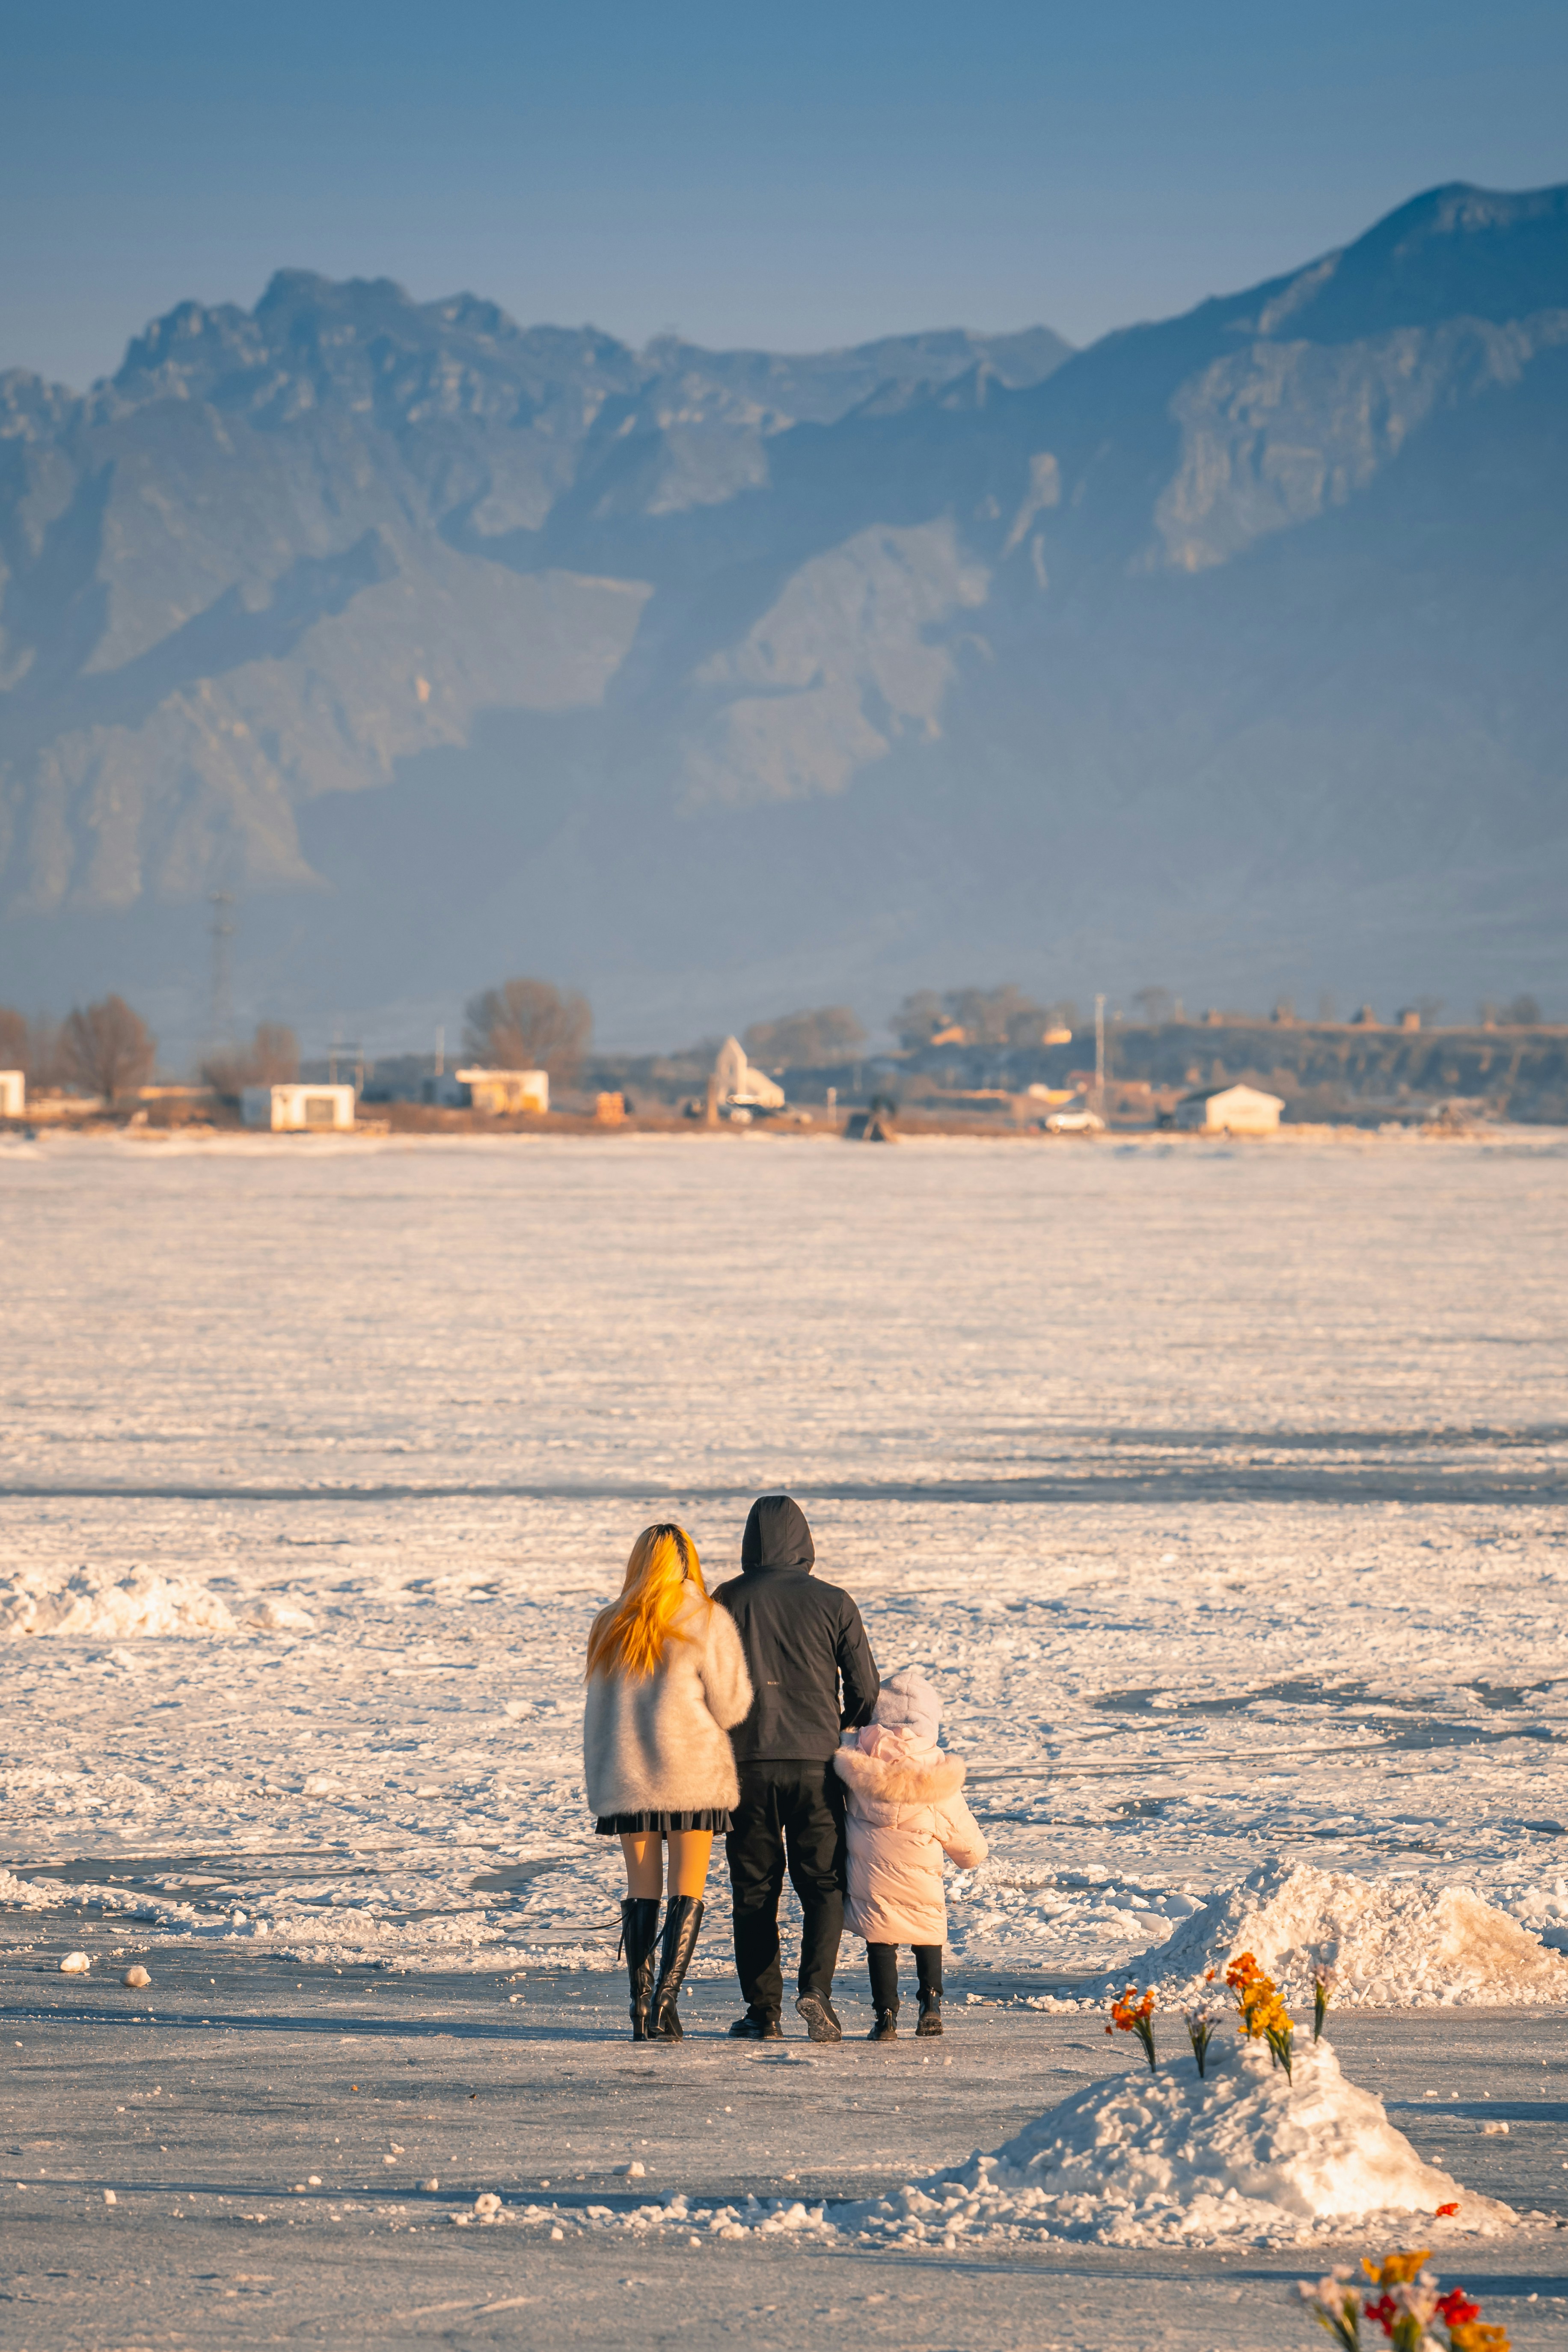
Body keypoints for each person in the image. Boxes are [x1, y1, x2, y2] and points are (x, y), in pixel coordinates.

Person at [713, 1494, 879, 2042]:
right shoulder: (834, 1602)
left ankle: (763, 2012)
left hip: (747, 1765)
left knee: (754, 1890)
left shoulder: (726, 1601)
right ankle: (817, 1991)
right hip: (815, 1763)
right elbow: (865, 1688)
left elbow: (704, 1682)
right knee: (822, 1883)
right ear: (805, 1541)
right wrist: (839, 1728)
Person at [583, 1522, 754, 2041]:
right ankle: (665, 2002)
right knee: (689, 1887)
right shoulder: (706, 1618)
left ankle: (638, 2006)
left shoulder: (611, 1622)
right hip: (691, 1775)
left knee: (641, 1891)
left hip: (626, 1778)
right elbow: (731, 1706)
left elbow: (595, 1717)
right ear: (688, 1564)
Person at [833, 1667, 987, 2040]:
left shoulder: (855, 1765)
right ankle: (930, 2005)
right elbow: (967, 1844)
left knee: (881, 1940)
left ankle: (885, 2018)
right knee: (926, 1930)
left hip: (872, 1877)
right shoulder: (938, 1773)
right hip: (922, 1878)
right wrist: (972, 1855)